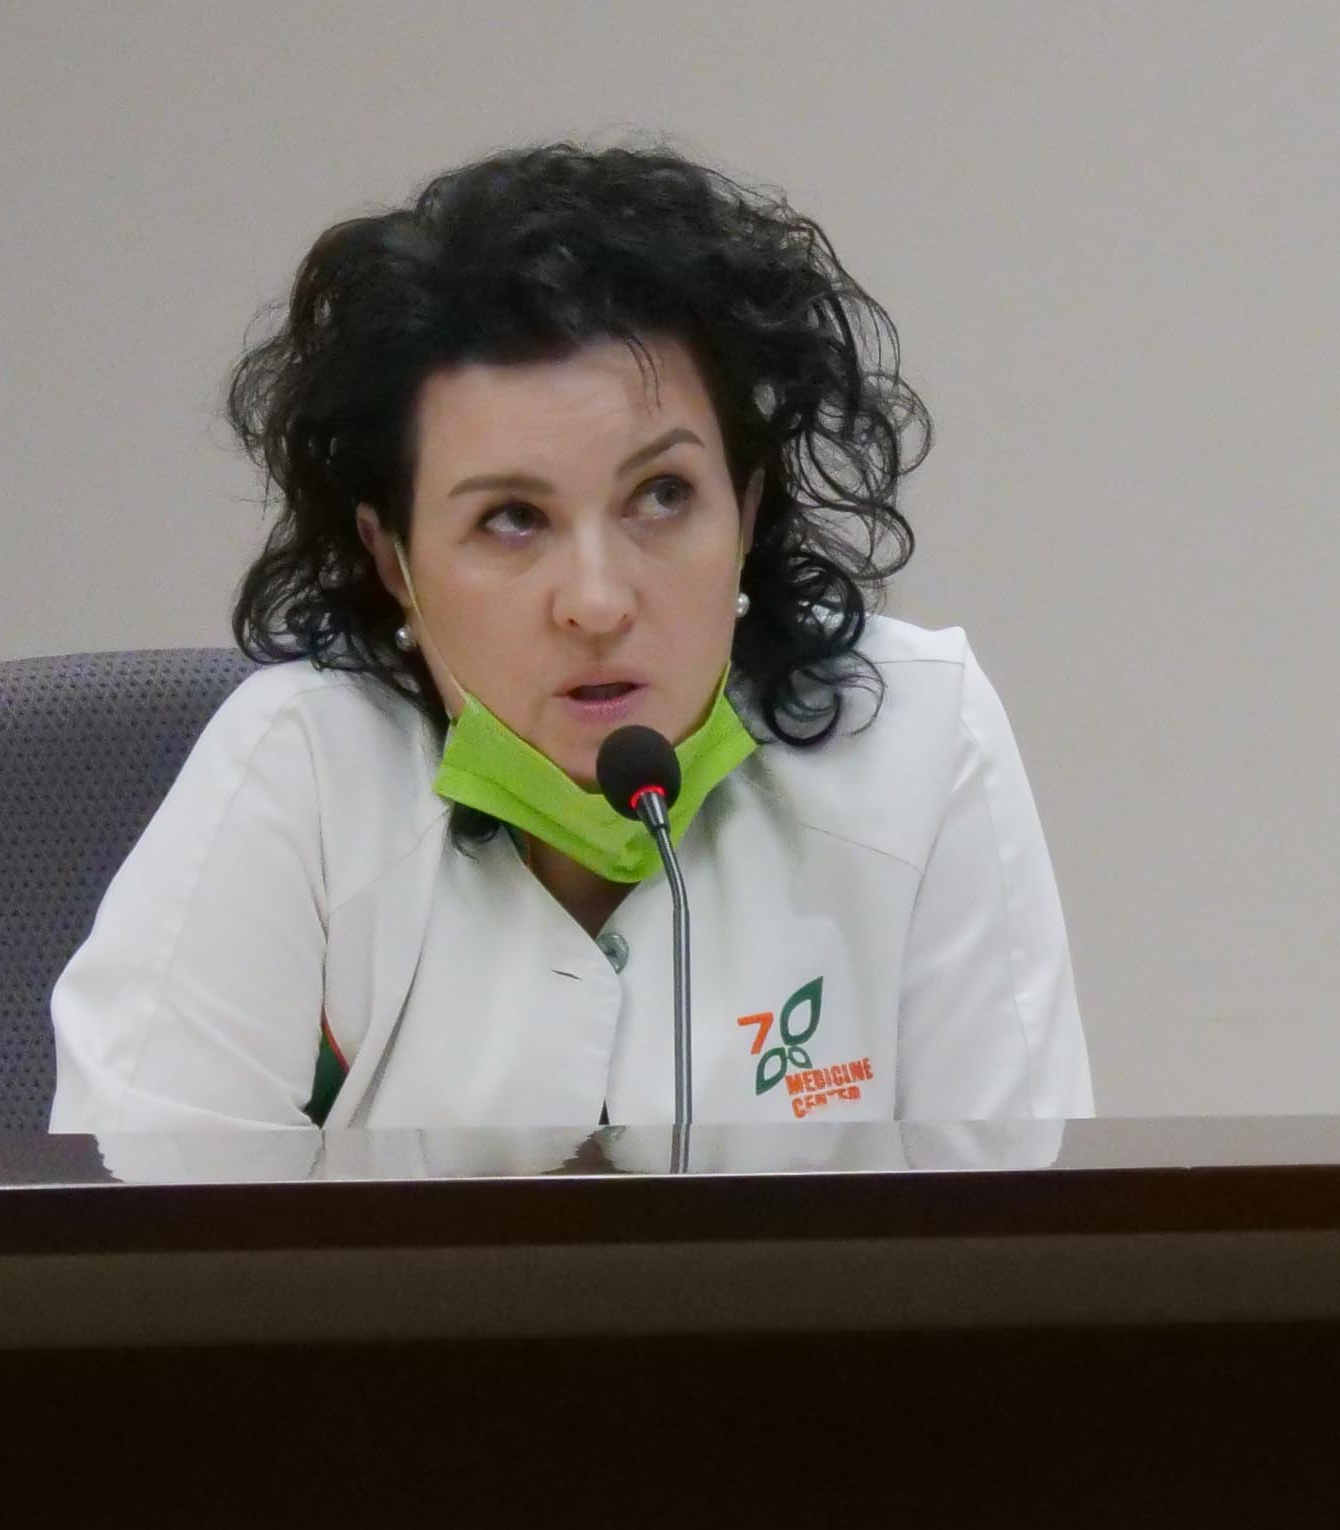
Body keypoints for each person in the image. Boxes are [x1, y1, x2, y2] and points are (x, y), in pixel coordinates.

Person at [53, 143, 1089, 1133]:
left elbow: (1023, 1233)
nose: (596, 602)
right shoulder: (302, 774)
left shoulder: (916, 739)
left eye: (662, 495)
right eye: (511, 517)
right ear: (393, 560)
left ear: (746, 512)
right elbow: (139, 1241)